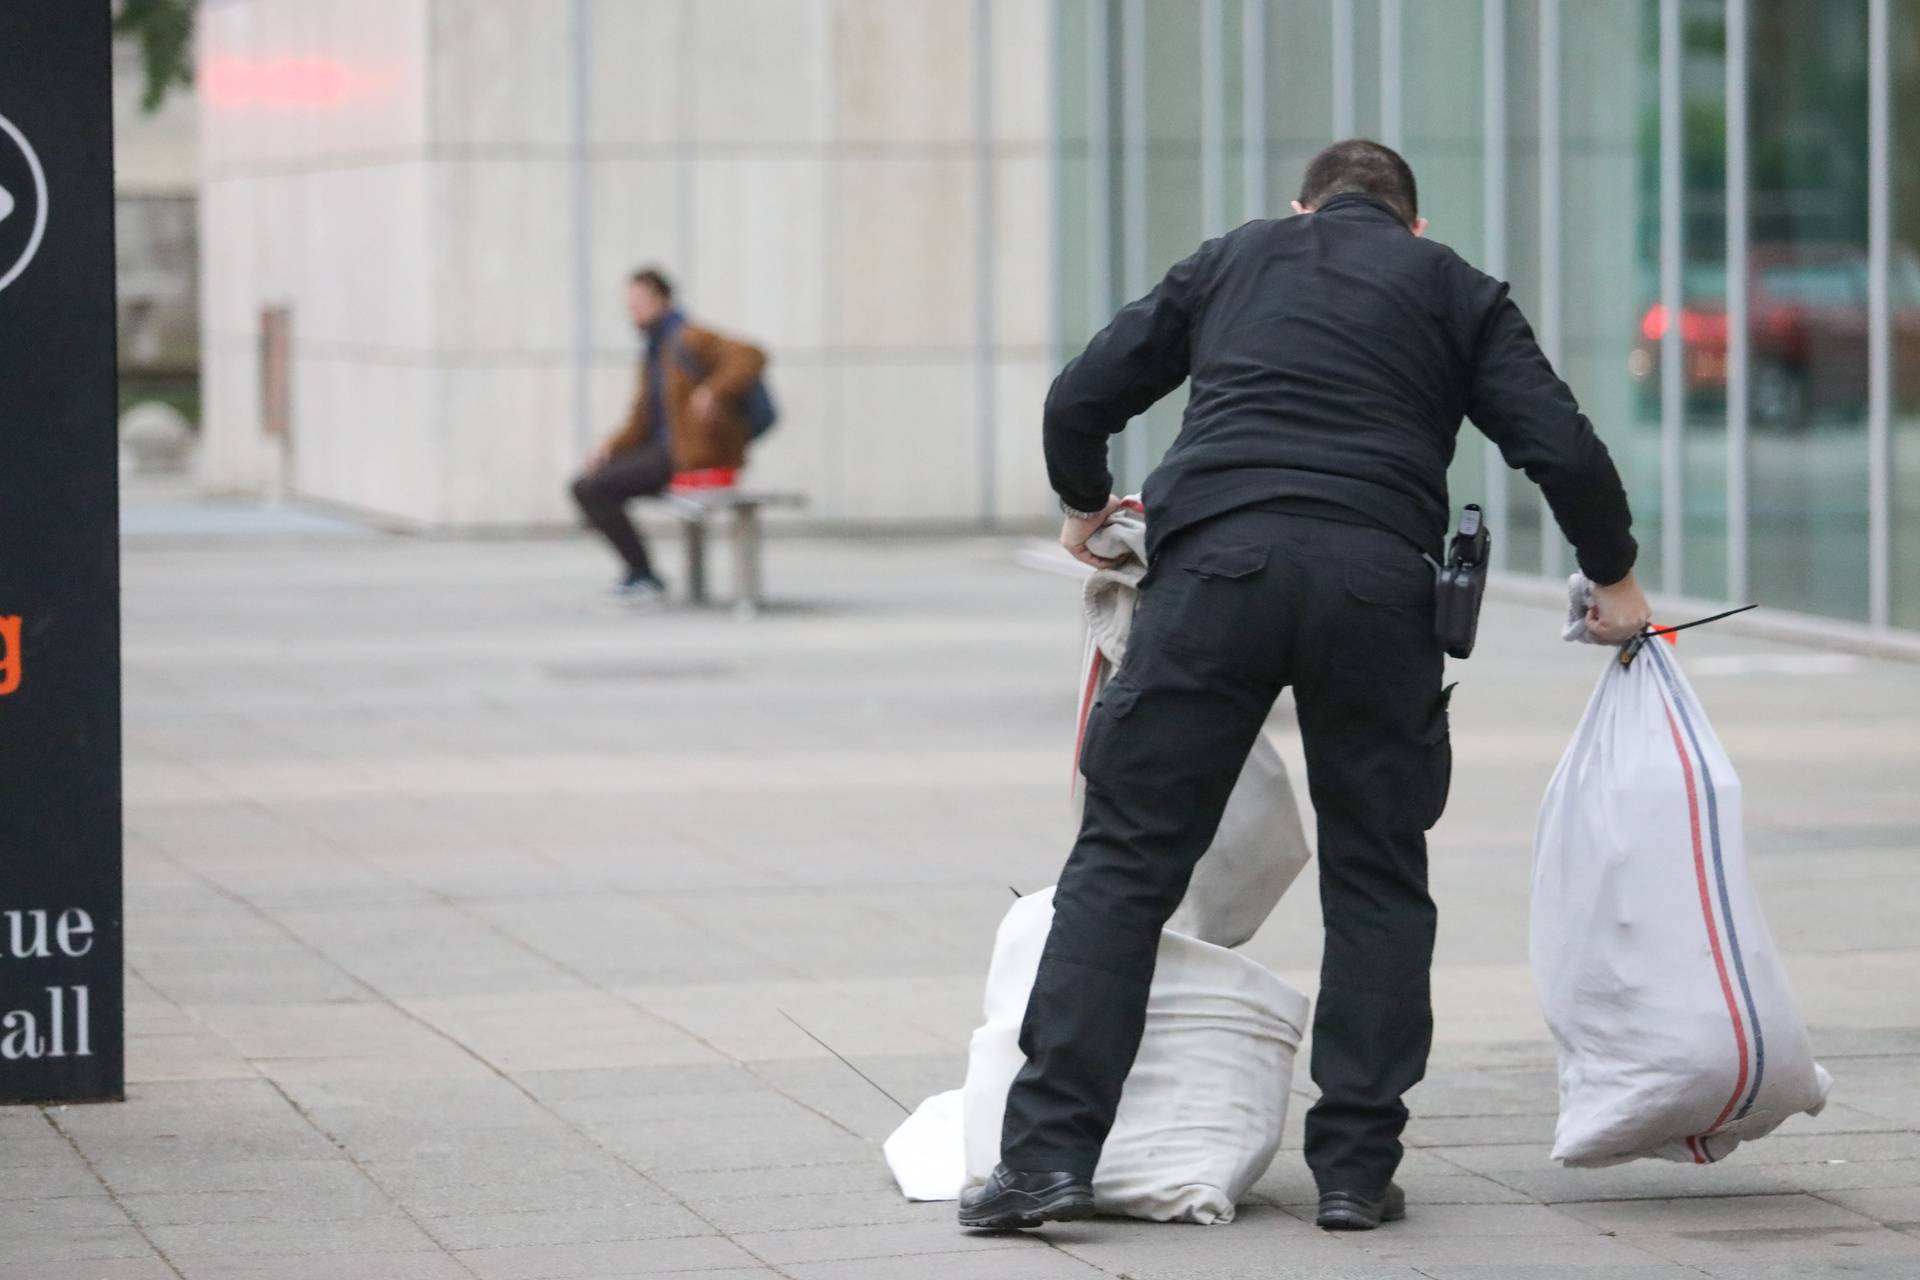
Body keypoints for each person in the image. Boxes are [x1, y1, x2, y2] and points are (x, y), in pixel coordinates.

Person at [959, 140, 1652, 1233]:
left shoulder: (1236, 258)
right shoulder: (1455, 287)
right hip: (1378, 590)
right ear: (1412, 224)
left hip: (1217, 575)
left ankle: (1047, 1158)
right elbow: (1559, 444)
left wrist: (1083, 502)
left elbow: (1081, 392)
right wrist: (1613, 576)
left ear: (1302, 207)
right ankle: (1353, 1167)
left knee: (1127, 859)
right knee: (1378, 867)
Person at [570, 267, 767, 603]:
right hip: (663, 451)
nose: (634, 312)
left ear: (663, 300)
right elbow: (640, 418)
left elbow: (751, 355)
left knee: (592, 488)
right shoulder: (653, 352)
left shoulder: (689, 337)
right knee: (588, 483)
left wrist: (713, 391)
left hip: (689, 455)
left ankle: (644, 575)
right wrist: (610, 445)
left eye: (640, 303)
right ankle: (640, 572)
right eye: (630, 305)